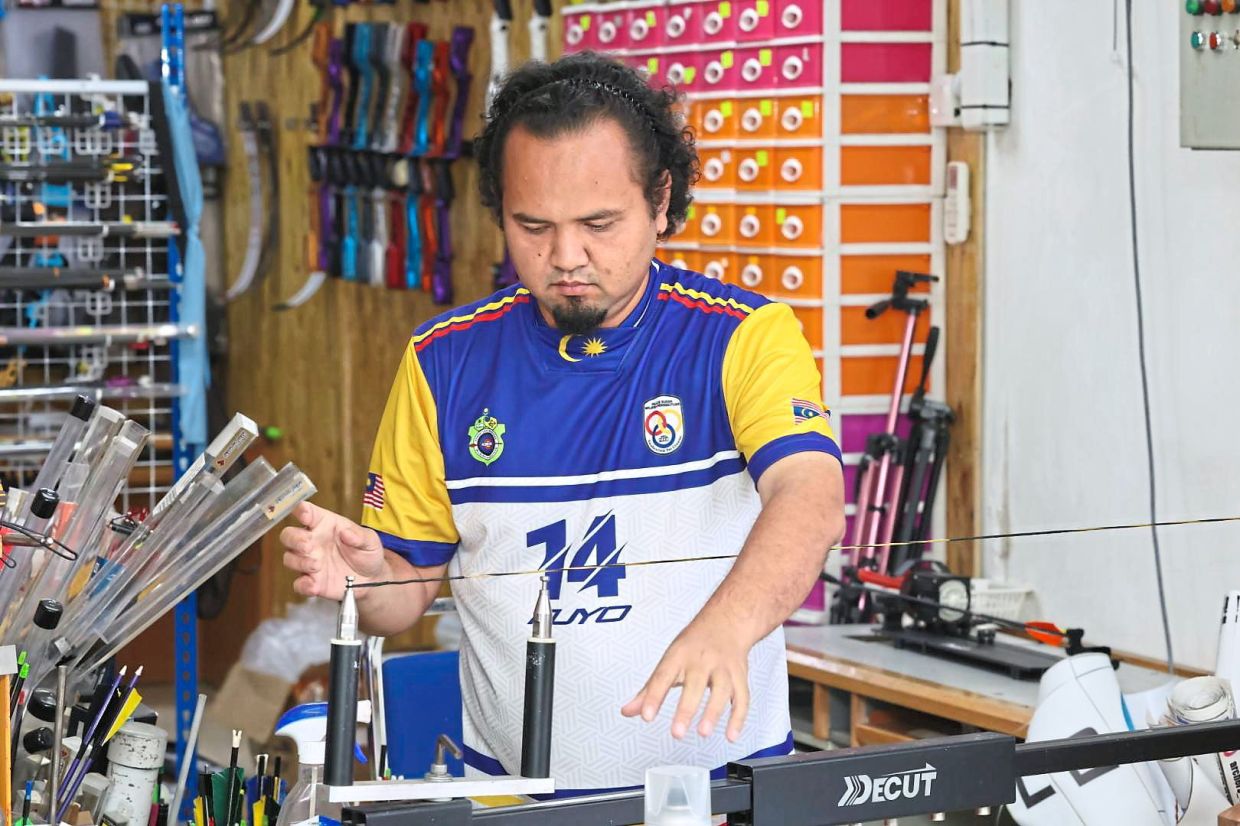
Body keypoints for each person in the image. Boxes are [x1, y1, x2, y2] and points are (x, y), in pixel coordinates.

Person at [280, 51, 845, 795]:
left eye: (598, 223)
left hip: (719, 797)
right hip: (509, 799)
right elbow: (404, 594)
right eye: (533, 226)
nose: (565, 256)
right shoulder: (441, 361)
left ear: (661, 200)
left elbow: (812, 498)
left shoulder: (743, 336)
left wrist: (727, 627)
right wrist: (367, 578)